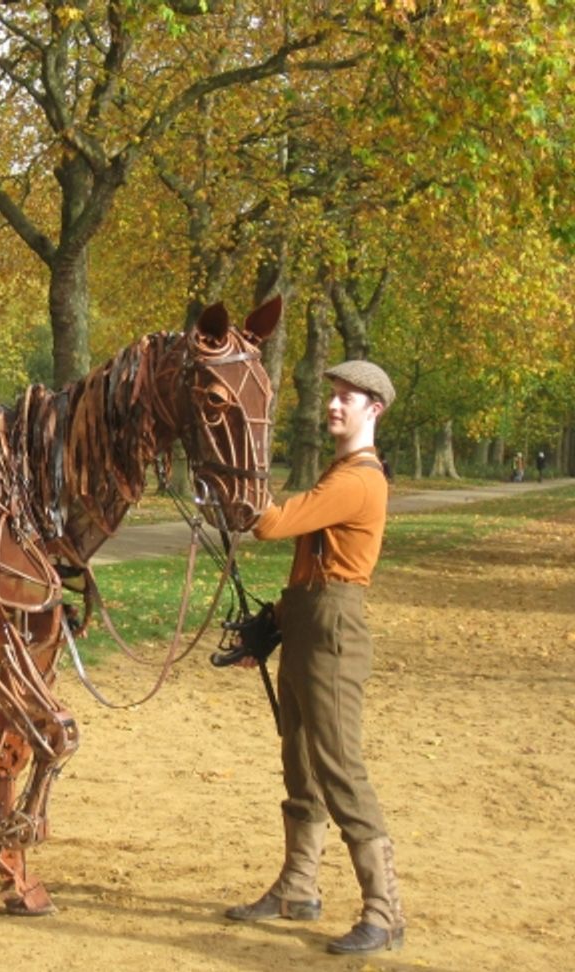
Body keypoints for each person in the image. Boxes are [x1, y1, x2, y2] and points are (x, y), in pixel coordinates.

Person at [224, 360, 406, 956]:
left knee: (339, 769)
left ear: (373, 410)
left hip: (332, 632)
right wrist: (275, 624)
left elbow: (272, 525)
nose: (333, 405)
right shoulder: (340, 470)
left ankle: (384, 911)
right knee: (300, 763)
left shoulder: (357, 479)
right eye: (332, 395)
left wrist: (239, 484)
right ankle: (298, 888)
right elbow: (311, 566)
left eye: (347, 398)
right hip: (308, 622)